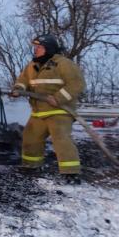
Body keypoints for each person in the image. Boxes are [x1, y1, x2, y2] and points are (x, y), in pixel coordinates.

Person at [12, 34, 86, 184]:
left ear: (49, 48)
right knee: (30, 137)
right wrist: (17, 89)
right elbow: (22, 81)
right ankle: (31, 167)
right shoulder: (32, 66)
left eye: (39, 47)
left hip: (59, 111)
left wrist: (58, 98)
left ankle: (71, 174)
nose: (36, 50)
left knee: (61, 140)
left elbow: (77, 84)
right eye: (35, 47)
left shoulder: (63, 64)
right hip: (39, 112)